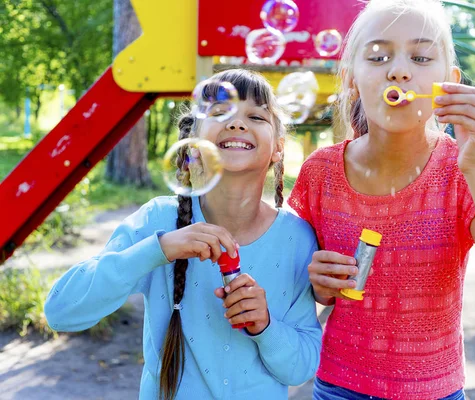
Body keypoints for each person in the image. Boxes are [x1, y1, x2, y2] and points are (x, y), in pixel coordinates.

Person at [287, 0, 475, 399]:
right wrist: (317, 283)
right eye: (378, 56)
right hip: (337, 387)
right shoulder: (320, 174)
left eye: (421, 55)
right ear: (351, 80)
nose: (398, 69)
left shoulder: (465, 175)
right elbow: (304, 294)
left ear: (451, 81)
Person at [45, 69, 321, 400]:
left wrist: (265, 327)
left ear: (278, 149)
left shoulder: (297, 239)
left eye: (256, 116)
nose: (236, 123)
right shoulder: (158, 221)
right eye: (220, 114)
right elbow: (61, 311)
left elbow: (303, 368)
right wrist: (157, 249)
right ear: (194, 144)